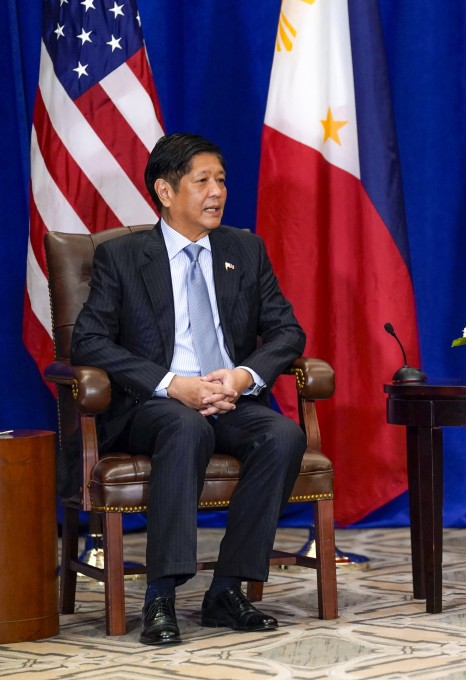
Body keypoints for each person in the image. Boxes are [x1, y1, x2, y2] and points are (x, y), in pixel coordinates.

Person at [71, 133, 308, 645]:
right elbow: (87, 341)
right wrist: (171, 384)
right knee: (184, 427)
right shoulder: (124, 256)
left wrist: (243, 377)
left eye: (220, 180)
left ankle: (226, 589)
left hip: (231, 399)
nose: (216, 191)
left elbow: (288, 332)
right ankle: (161, 595)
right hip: (154, 405)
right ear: (164, 190)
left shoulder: (245, 248)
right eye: (202, 181)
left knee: (283, 435)